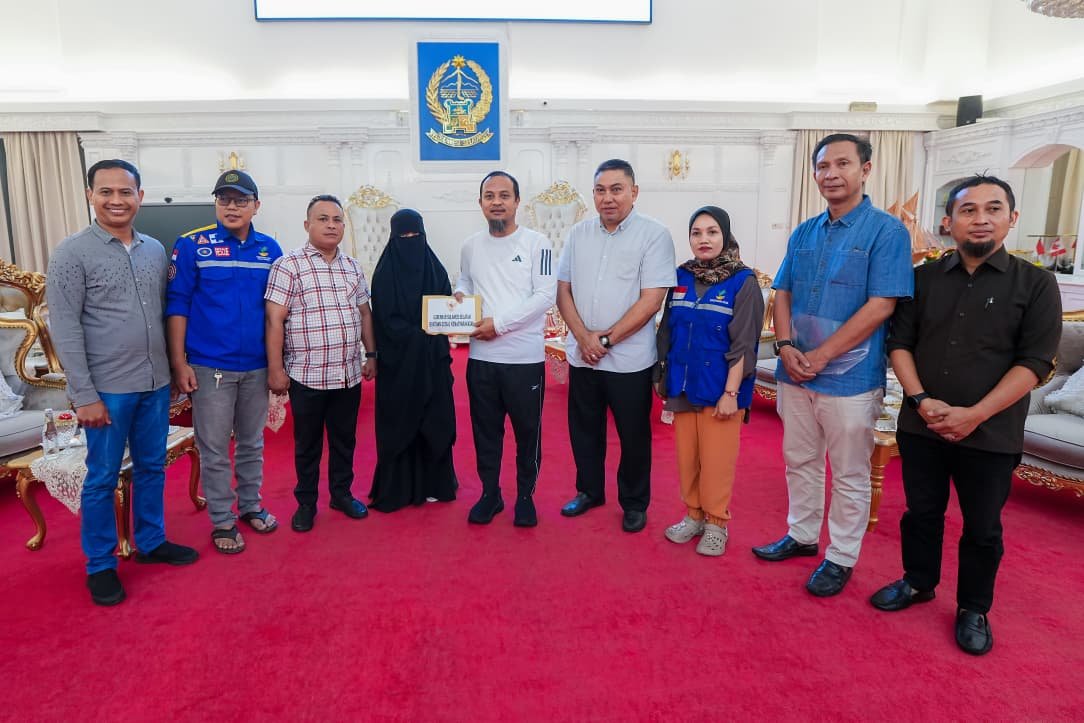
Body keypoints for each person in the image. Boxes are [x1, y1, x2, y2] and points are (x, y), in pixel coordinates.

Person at [870, 175, 1061, 655]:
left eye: (993, 209)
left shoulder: (1036, 283)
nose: (980, 219)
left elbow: (1035, 363)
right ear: (948, 221)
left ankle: (973, 608)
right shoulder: (922, 279)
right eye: (968, 210)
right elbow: (899, 343)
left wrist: (975, 414)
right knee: (921, 513)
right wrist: (920, 400)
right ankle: (918, 581)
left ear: (1011, 218)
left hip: (992, 431)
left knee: (982, 527)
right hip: (923, 424)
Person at [752, 134, 913, 596]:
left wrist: (822, 355)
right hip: (795, 370)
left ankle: (841, 556)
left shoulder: (887, 232)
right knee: (799, 459)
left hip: (851, 378)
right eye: (823, 166)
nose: (831, 174)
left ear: (866, 170)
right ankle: (802, 535)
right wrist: (785, 345)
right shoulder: (805, 231)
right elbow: (783, 292)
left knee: (849, 471)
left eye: (843, 164)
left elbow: (882, 305)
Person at [47, 159, 198, 606]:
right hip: (106, 389)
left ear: (140, 197)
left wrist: (172, 369)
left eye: (125, 192)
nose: (117, 200)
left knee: (152, 466)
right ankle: (100, 564)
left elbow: (164, 313)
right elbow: (65, 328)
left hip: (154, 381)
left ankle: (151, 541)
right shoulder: (71, 253)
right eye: (106, 192)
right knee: (101, 477)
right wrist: (84, 395)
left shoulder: (155, 249)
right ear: (90, 196)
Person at [556, 159, 676, 533]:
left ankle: (634, 502)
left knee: (633, 435)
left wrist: (605, 340)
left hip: (629, 360)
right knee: (584, 430)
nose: (608, 198)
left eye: (616, 189)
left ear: (634, 192)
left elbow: (651, 300)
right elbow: (563, 290)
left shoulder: (654, 235)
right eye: (600, 190)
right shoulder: (578, 234)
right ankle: (589, 491)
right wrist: (583, 338)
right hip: (584, 356)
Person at [166, 170, 283, 554]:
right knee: (214, 448)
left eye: (241, 200)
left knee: (251, 443)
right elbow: (177, 305)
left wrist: (277, 363)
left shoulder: (270, 249)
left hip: (257, 366)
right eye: (224, 199)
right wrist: (179, 362)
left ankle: (250, 505)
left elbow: (277, 312)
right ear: (216, 203)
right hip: (209, 365)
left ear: (256, 206)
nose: (232, 207)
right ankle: (222, 520)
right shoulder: (192, 245)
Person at [265, 195, 378, 533]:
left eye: (337, 220)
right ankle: (306, 503)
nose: (331, 225)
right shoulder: (288, 265)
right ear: (307, 225)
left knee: (345, 440)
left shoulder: (352, 266)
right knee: (308, 445)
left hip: (347, 374)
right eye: (323, 219)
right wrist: (275, 370)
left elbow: (364, 313)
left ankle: (341, 495)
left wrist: (371, 354)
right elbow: (274, 320)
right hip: (307, 375)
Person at [656, 206, 764, 556]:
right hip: (683, 384)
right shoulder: (680, 277)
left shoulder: (743, 281)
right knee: (687, 458)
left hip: (721, 390)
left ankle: (717, 523)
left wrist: (731, 392)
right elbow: (667, 329)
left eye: (712, 232)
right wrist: (662, 376)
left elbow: (744, 343)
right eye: (697, 232)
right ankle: (693, 515)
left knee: (717, 461)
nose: (704, 239)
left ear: (725, 235)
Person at [454, 171, 556, 527]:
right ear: (480, 202)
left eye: (504, 195)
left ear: (517, 201)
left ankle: (525, 496)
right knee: (485, 432)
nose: (496, 202)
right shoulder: (470, 245)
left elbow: (545, 295)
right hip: (481, 359)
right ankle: (490, 494)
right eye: (489, 196)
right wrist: (459, 297)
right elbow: (465, 280)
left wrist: (498, 324)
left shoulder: (538, 243)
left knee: (528, 433)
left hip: (524, 359)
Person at [368, 209, 458, 511]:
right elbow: (384, 320)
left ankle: (436, 484)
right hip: (399, 366)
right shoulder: (384, 274)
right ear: (393, 237)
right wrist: (420, 336)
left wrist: (451, 318)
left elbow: (446, 308)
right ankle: (399, 488)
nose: (410, 240)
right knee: (400, 420)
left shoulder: (435, 270)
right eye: (403, 236)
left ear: (423, 235)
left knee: (435, 418)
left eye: (415, 235)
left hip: (433, 363)